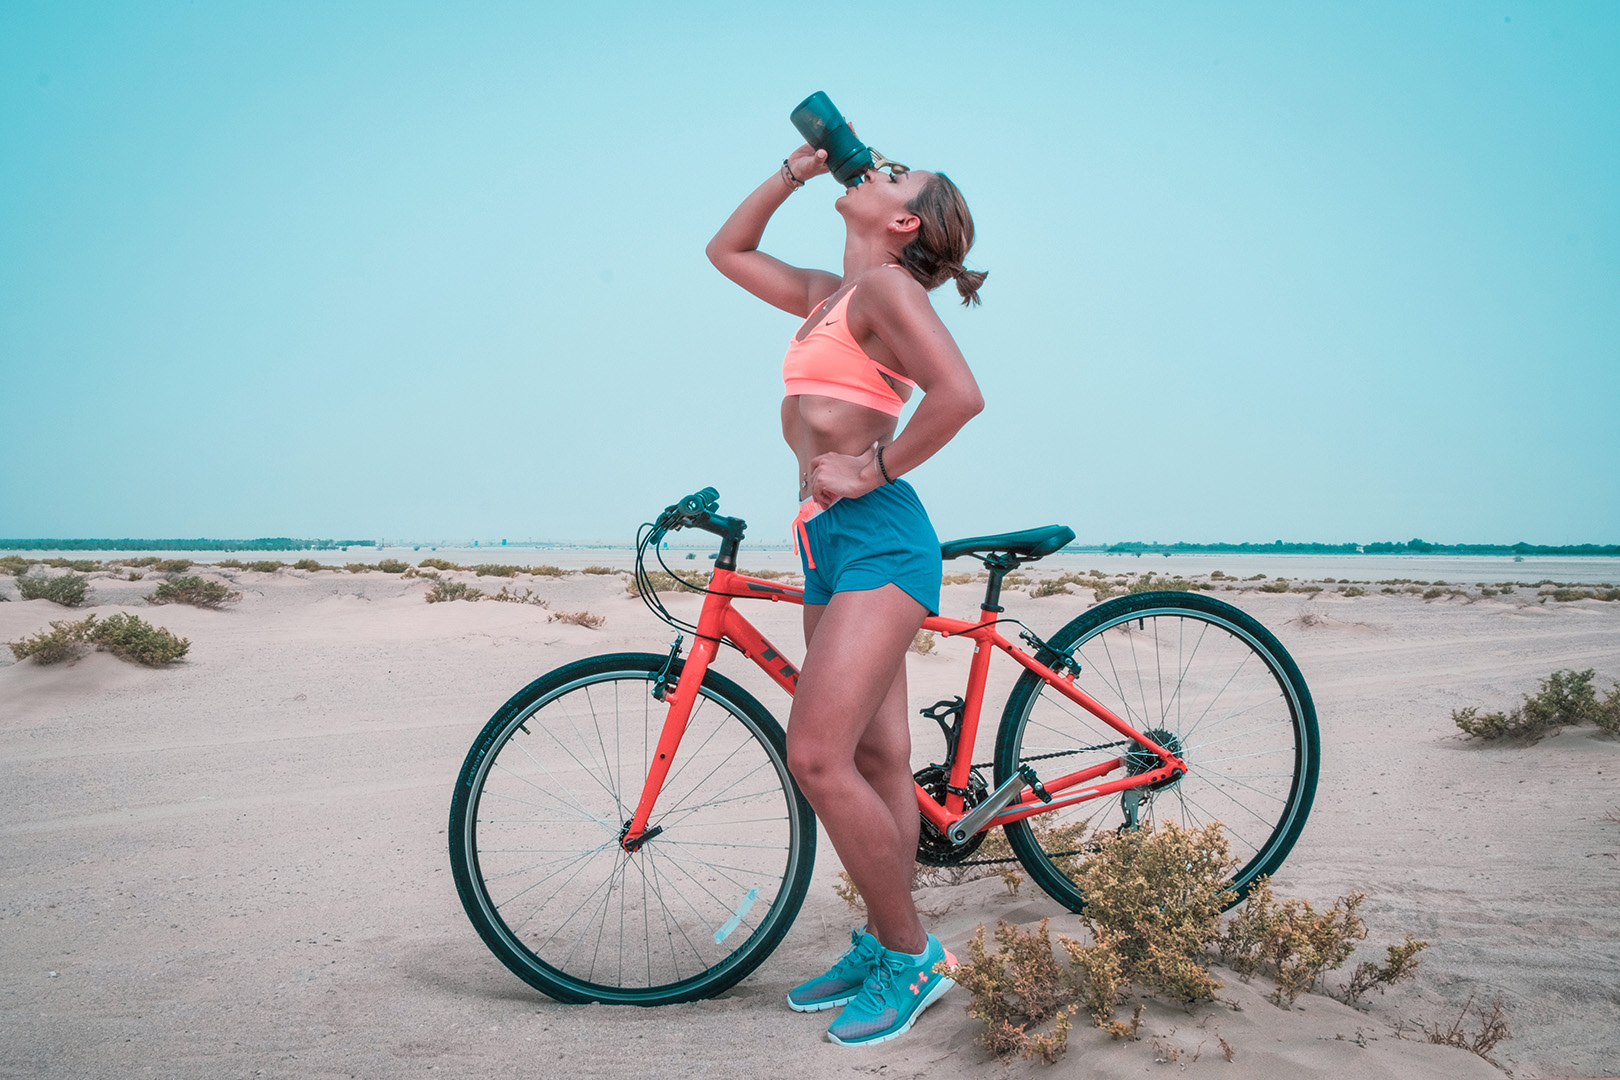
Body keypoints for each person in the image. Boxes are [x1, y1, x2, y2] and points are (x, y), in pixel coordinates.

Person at [706, 137, 986, 1046]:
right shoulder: (835, 293)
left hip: (878, 542)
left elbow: (960, 395)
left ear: (904, 221)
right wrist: (795, 171)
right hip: (826, 543)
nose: (877, 169)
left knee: (818, 758)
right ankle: (882, 940)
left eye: (895, 176)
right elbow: (729, 253)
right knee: (875, 763)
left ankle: (912, 958)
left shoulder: (890, 292)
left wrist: (875, 466)